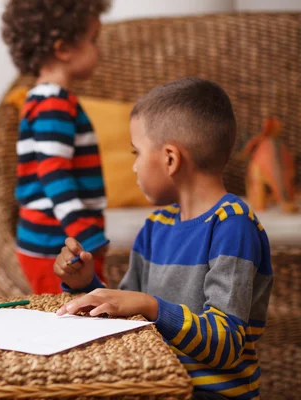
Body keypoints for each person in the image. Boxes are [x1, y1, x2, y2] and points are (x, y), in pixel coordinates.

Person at [54, 78, 273, 399]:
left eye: (136, 152)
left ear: (170, 158)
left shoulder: (233, 225)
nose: (133, 166)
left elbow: (226, 345)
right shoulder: (156, 225)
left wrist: (151, 305)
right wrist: (86, 285)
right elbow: (128, 315)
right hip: (155, 385)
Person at [1, 0, 111, 294]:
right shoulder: (54, 103)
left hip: (50, 241)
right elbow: (53, 172)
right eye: (93, 40)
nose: (98, 50)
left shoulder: (42, 98)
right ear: (62, 49)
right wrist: (84, 231)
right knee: (78, 316)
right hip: (57, 245)